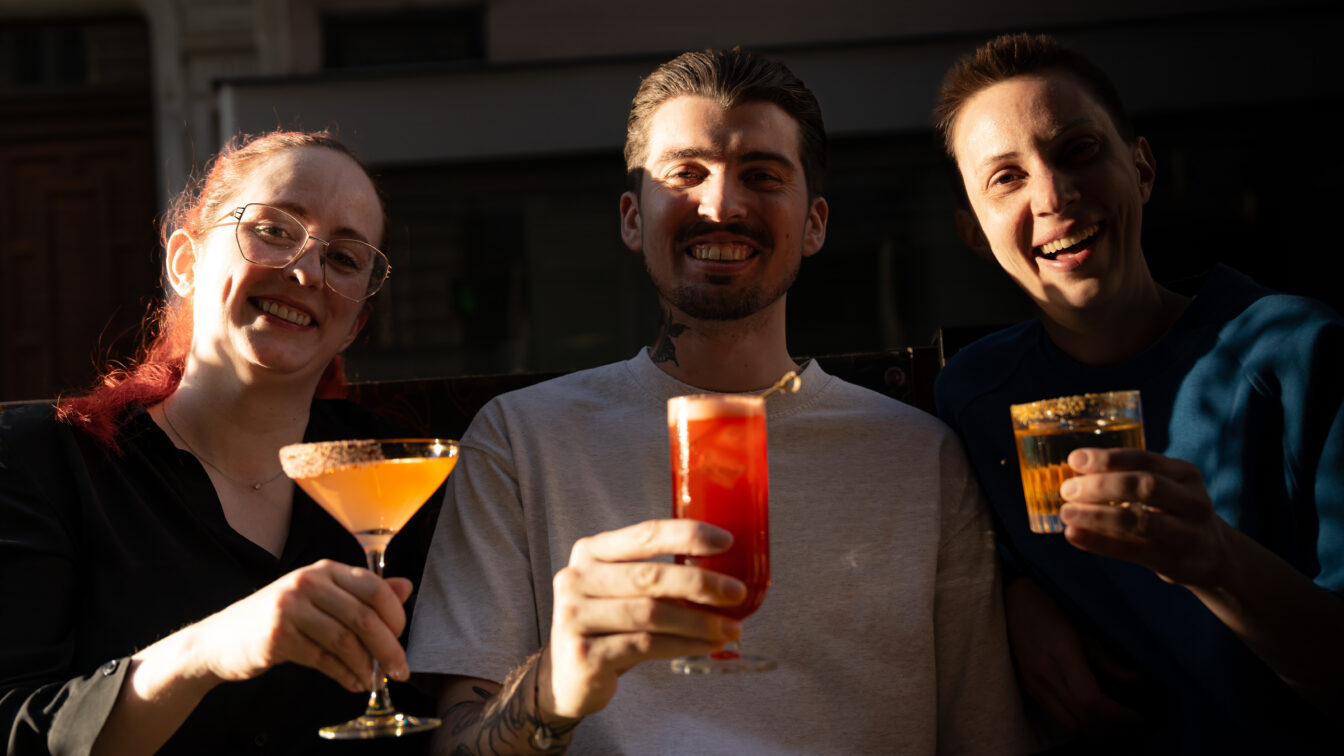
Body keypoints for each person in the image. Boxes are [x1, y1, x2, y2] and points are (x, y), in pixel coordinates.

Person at [408, 48, 1035, 754]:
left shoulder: (923, 456)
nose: (722, 205)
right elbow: (454, 745)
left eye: (762, 176)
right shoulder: (520, 441)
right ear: (631, 219)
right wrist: (552, 692)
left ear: (816, 224)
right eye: (685, 174)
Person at [932, 33, 1344, 753]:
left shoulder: (1300, 353)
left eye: (1079, 150)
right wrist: (1010, 596)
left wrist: (1213, 560)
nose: (1054, 195)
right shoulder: (973, 396)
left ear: (1142, 168)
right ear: (975, 233)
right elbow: (959, 555)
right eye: (1006, 178)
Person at [0, 130, 435, 755]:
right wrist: (211, 649)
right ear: (184, 261)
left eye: (344, 258)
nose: (306, 269)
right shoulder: (43, 462)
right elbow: (16, 728)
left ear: (354, 325)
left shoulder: (395, 471)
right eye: (275, 230)